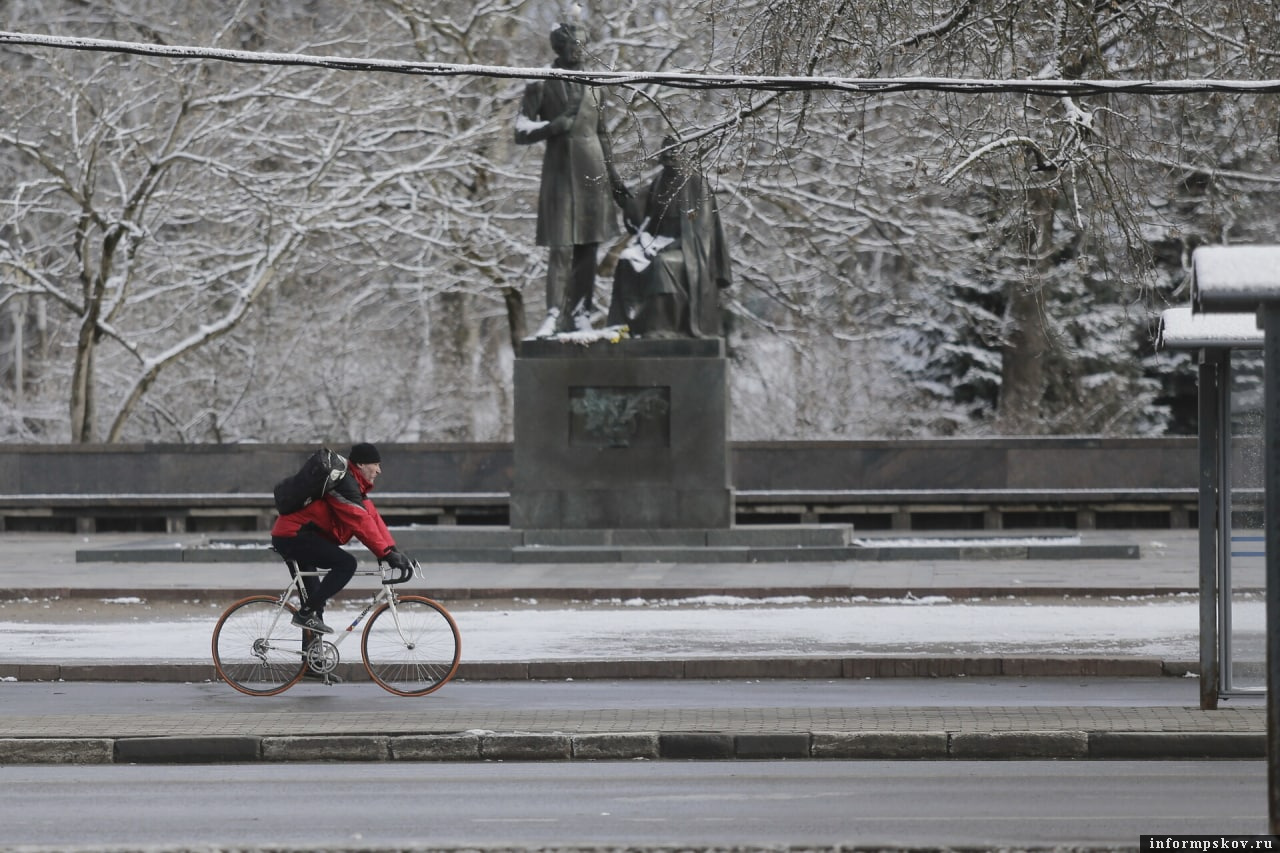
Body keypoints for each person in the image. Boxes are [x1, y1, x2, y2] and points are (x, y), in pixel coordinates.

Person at [515, 22, 630, 337]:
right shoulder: (541, 82)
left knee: (588, 247)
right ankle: (554, 313)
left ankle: (581, 313)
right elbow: (520, 130)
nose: (579, 49)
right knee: (561, 245)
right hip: (560, 172)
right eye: (573, 44)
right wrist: (553, 126)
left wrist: (614, 179)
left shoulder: (595, 84)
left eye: (582, 43)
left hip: (593, 171)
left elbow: (603, 134)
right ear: (559, 47)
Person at [270, 442, 412, 635]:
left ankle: (312, 651)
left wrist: (392, 550)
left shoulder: (353, 486)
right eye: (376, 464)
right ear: (361, 464)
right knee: (346, 564)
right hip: (292, 536)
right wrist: (385, 553)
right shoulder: (343, 484)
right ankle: (304, 614)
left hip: (301, 535)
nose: (379, 470)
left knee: (315, 602)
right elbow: (360, 521)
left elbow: (372, 518)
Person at [607, 136, 732, 338]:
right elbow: (638, 209)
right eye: (665, 155)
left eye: (673, 154)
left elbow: (701, 232)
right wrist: (617, 185)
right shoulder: (660, 181)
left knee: (662, 263)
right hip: (656, 243)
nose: (669, 159)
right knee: (626, 259)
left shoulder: (696, 184)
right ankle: (627, 327)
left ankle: (661, 325)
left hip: (688, 250)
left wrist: (671, 245)